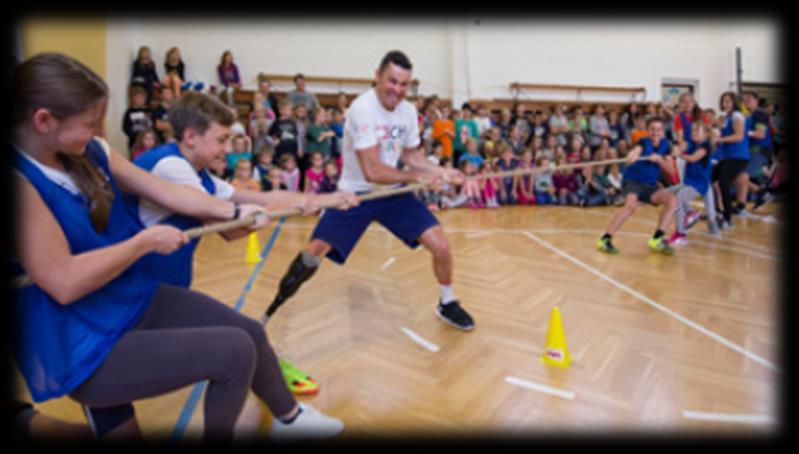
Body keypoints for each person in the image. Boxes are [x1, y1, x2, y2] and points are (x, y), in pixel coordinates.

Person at [10, 53, 344, 443]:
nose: (100, 131)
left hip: (124, 298)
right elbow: (64, 281)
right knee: (233, 352)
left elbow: (170, 193)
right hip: (83, 339)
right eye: (89, 123)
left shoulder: (92, 151)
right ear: (44, 121)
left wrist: (312, 201)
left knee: (245, 334)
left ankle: (290, 419)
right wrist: (145, 243)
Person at [266, 50, 475, 331]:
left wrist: (440, 171)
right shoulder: (362, 109)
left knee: (441, 246)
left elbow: (411, 155)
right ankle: (271, 311)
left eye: (403, 84)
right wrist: (418, 177)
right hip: (356, 194)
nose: (397, 90)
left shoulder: (409, 111)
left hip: (393, 193)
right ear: (377, 76)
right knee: (313, 252)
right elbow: (373, 171)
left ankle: (447, 302)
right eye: (392, 81)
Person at [596, 117, 678, 255]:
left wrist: (659, 160)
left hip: (650, 185)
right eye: (652, 129)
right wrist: (632, 155)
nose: (655, 133)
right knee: (630, 206)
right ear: (647, 130)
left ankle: (657, 239)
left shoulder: (666, 146)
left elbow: (671, 170)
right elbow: (636, 151)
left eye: (658, 130)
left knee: (672, 200)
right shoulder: (643, 142)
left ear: (662, 131)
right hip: (632, 181)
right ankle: (605, 239)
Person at [666, 122, 719, 245]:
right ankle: (690, 212)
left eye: (697, 131)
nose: (693, 133)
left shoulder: (705, 146)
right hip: (689, 182)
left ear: (705, 134)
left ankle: (681, 234)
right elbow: (681, 148)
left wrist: (678, 154)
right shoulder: (692, 144)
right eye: (693, 131)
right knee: (669, 193)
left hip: (698, 185)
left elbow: (694, 158)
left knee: (678, 200)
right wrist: (669, 150)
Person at [713, 92, 750, 229]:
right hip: (729, 156)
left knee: (723, 182)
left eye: (728, 101)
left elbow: (739, 136)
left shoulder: (736, 115)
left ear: (734, 102)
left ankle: (727, 219)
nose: (725, 104)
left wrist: (719, 139)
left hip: (738, 156)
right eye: (723, 101)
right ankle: (716, 212)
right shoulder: (726, 117)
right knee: (710, 178)